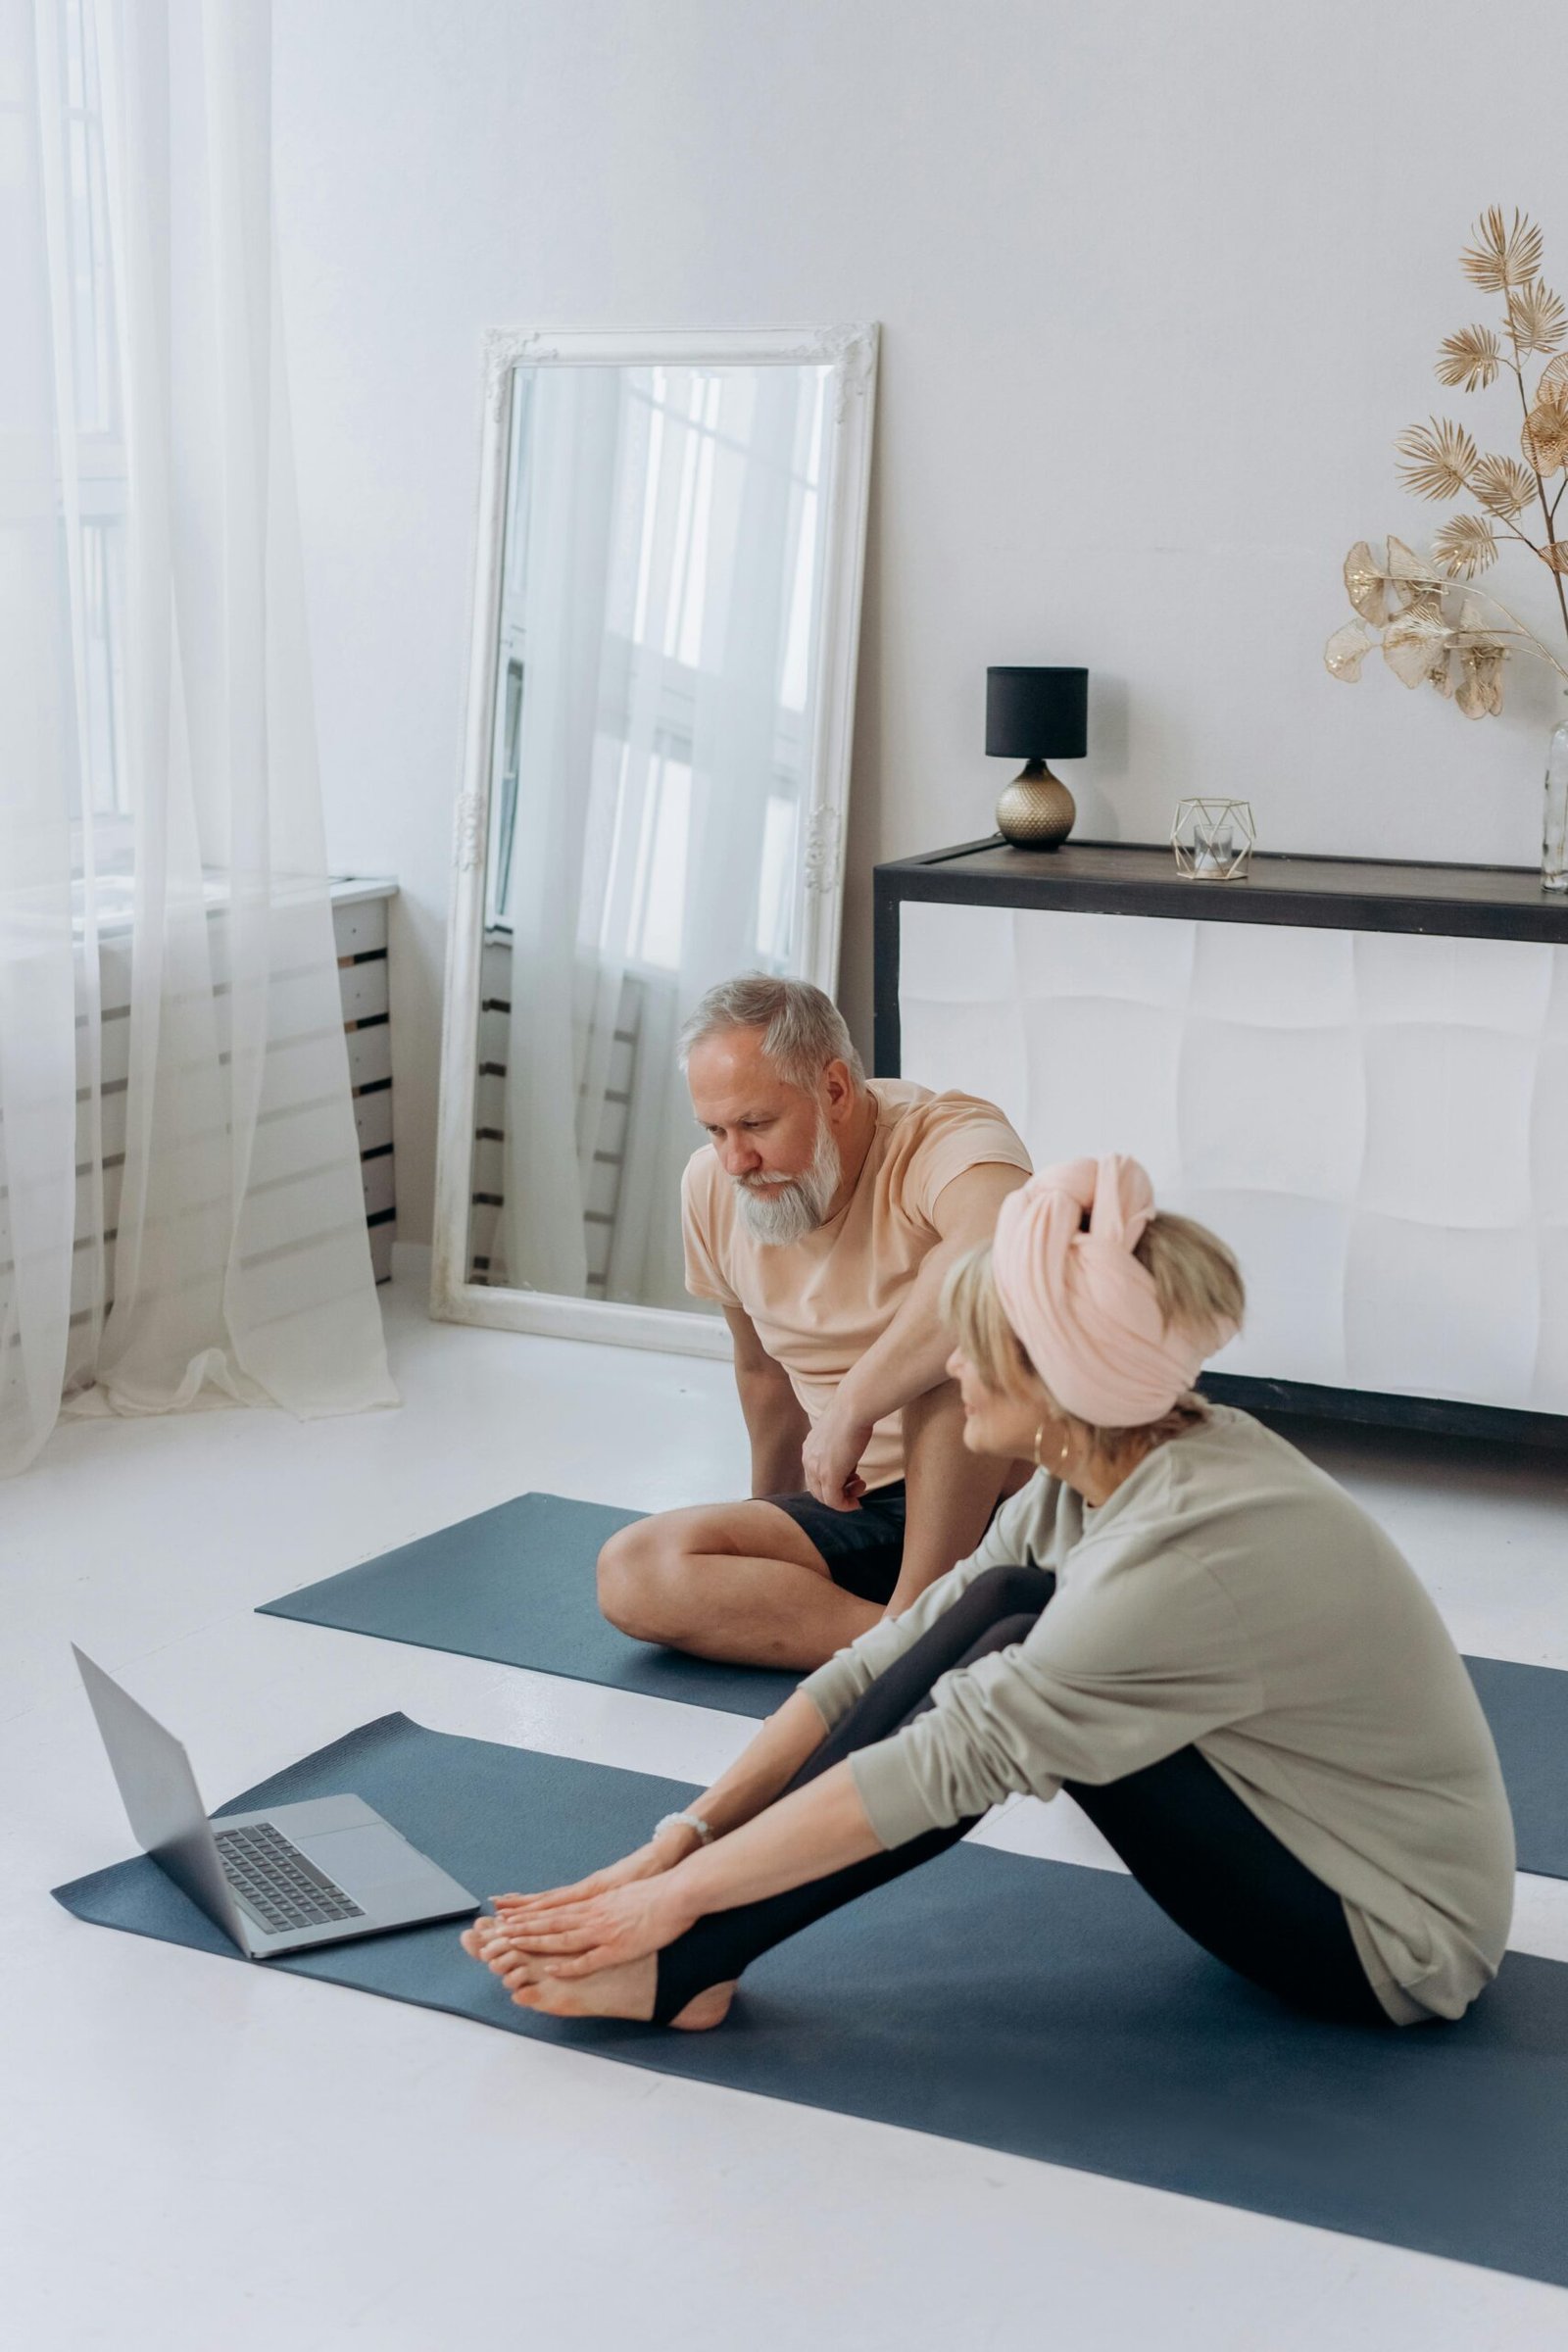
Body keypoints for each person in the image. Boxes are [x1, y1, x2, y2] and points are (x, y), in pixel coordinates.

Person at [466, 1154, 1515, 2034]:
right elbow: (888, 1654)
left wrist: (666, 1908)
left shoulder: (1184, 1552)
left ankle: (687, 1965)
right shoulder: (1096, 1474)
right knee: (1001, 1604)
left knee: (999, 1674)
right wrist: (682, 1837)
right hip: (1297, 1835)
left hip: (1387, 1941)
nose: (952, 1366)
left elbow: (946, 1757)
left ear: (1054, 1378)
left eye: (976, 1346)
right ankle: (694, 1953)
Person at [595, 973, 1035, 1671]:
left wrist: (856, 1403)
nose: (736, 1160)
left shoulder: (945, 1136)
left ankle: (919, 1614)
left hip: (997, 1495)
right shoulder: (711, 1186)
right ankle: (925, 1640)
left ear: (834, 1089)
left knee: (964, 1330)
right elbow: (762, 1374)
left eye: (756, 1125)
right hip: (856, 1500)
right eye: (715, 1131)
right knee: (633, 1570)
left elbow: (994, 1248)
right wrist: (768, 1521)